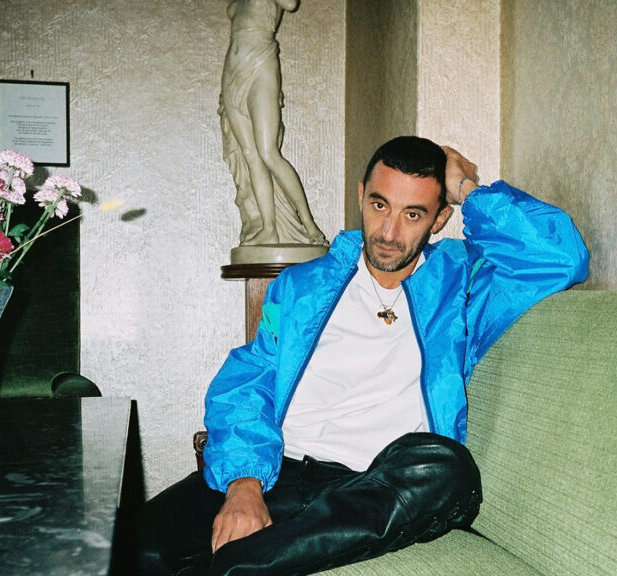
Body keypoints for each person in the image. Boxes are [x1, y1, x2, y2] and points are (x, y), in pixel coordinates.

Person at [138, 136, 589, 575]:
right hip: (280, 472)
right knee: (134, 545)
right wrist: (244, 485)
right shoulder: (301, 287)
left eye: (413, 214)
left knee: (447, 468)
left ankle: (242, 563)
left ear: (439, 219)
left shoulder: (462, 285)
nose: (389, 233)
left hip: (374, 488)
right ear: (361, 196)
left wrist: (467, 188)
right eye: (379, 205)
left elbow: (560, 257)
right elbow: (250, 380)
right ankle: (260, 558)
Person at [219, 0, 327, 247]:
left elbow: (290, 3)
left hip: (261, 64)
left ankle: (309, 225)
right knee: (250, 155)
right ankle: (268, 228)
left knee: (268, 153)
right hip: (232, 69)